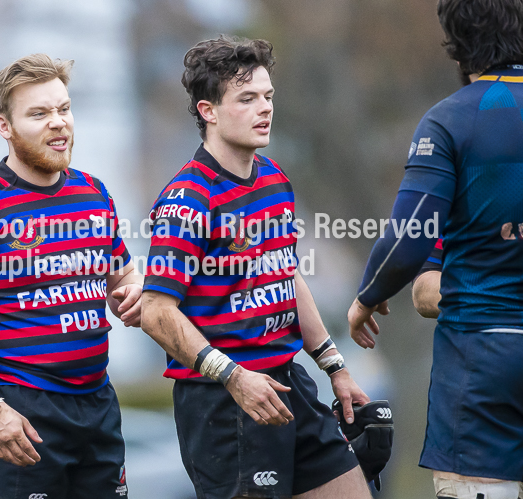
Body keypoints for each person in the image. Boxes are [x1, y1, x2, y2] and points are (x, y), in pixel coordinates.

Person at [140, 36, 373, 499]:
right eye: (246, 99)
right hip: (223, 400)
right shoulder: (188, 198)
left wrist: (335, 366)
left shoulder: (274, 179)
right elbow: (155, 310)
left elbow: (286, 275)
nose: (264, 109)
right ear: (208, 111)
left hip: (289, 382)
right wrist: (232, 375)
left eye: (267, 97)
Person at [347, 0, 523, 496]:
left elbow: (410, 235)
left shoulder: (452, 118)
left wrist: (367, 296)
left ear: (457, 44)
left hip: (485, 356)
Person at [0, 54, 142, 498]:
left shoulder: (94, 191)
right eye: (40, 114)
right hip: (22, 410)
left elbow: (124, 279)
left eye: (64, 109)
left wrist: (137, 292)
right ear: (4, 127)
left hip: (98, 403)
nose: (59, 123)